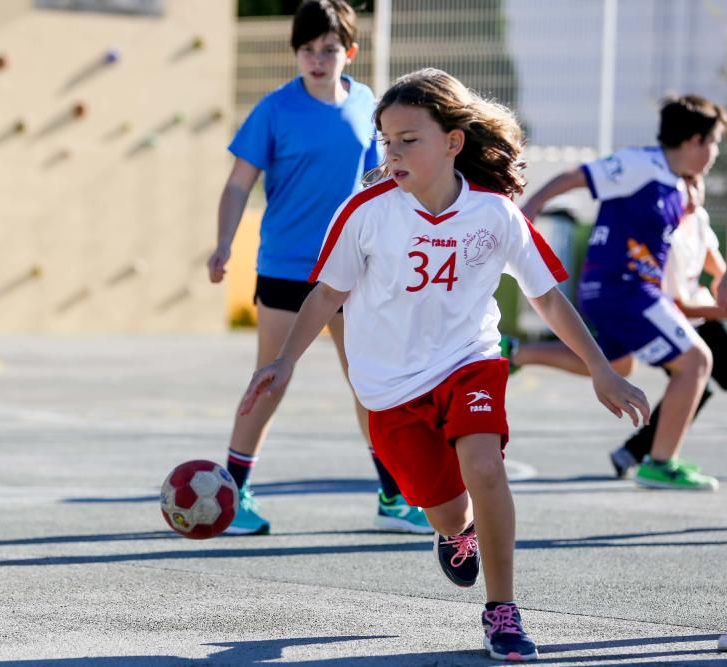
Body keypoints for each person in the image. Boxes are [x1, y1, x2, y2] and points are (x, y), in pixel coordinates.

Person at [237, 68, 649, 662]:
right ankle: (457, 534)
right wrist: (281, 362)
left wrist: (603, 369)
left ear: (453, 141)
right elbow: (327, 295)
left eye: (410, 139)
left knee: (484, 466)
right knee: (447, 509)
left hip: (469, 362)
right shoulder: (366, 212)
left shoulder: (495, 214)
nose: (394, 152)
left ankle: (501, 610)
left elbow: (548, 297)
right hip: (388, 386)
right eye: (386, 140)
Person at [206, 0, 430, 535]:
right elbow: (239, 182)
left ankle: (394, 497)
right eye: (307, 49)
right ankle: (234, 494)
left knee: (369, 383)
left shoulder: (369, 104)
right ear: (296, 54)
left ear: (348, 52)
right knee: (271, 377)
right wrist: (223, 244)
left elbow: (380, 173)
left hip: (352, 265)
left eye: (329, 49)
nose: (317, 58)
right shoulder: (275, 110)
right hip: (287, 264)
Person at [519, 95, 725, 491]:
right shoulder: (640, 164)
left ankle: (516, 351)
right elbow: (575, 176)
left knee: (617, 366)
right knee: (697, 361)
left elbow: (696, 244)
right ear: (694, 140)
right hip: (625, 289)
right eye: (713, 143)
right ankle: (660, 462)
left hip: (619, 292)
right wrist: (532, 208)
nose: (715, 153)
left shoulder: (678, 187)